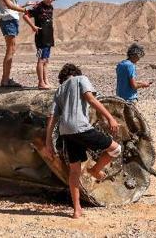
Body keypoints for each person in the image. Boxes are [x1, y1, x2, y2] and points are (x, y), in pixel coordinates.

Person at [44, 63, 121, 219]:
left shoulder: (59, 90)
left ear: (63, 78)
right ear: (76, 73)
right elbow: (90, 99)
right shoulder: (81, 79)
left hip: (66, 132)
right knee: (115, 149)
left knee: (74, 171)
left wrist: (48, 142)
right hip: (81, 127)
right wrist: (110, 118)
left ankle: (77, 209)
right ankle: (95, 170)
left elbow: (52, 117)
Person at [0, 0, 36, 87]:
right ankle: (5, 80)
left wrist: (25, 5)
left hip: (12, 19)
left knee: (12, 50)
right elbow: (8, 5)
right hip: (8, 20)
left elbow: (13, 7)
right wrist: (24, 10)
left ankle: (6, 79)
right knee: (10, 50)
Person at [23, 0, 58, 90]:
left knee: (46, 60)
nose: (49, 0)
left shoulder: (51, 7)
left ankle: (46, 80)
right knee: (41, 59)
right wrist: (33, 26)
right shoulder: (38, 7)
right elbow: (25, 15)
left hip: (48, 37)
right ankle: (40, 82)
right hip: (40, 38)